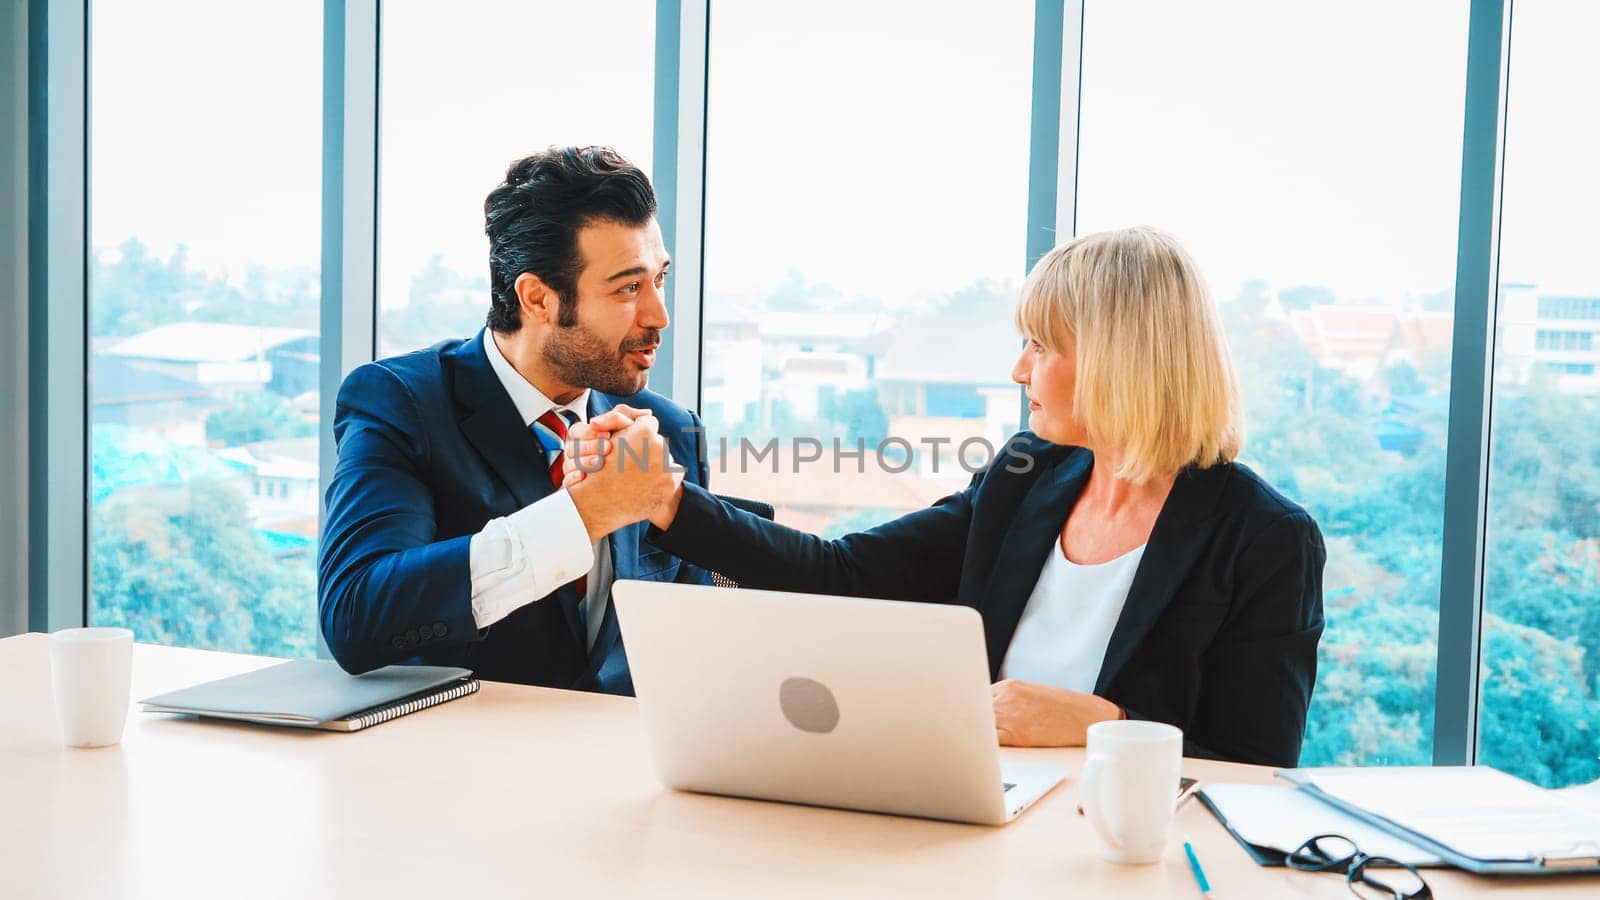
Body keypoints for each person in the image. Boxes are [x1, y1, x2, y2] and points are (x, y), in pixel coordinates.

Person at [571, 226, 1326, 767]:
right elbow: (845, 574)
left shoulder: (1266, 539)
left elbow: (1259, 768)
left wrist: (1110, 725)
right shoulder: (1024, 476)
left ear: (1116, 361)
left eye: (1041, 344)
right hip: (983, 814)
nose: (1018, 370)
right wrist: (669, 500)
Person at [318, 146, 699, 694]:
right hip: (453, 768)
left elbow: (695, 635)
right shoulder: (402, 403)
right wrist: (584, 515)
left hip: (631, 766)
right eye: (628, 288)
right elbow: (356, 615)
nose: (659, 315)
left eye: (659, 279)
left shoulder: (668, 430)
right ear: (537, 298)